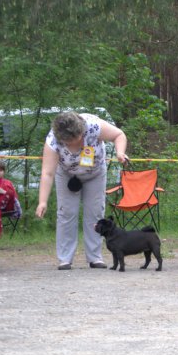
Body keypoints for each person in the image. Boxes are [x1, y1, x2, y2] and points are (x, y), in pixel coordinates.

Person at [35, 111, 129, 270]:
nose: (73, 144)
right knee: (66, 213)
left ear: (81, 132)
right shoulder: (53, 140)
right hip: (66, 175)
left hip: (95, 173)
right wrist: (42, 201)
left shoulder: (93, 126)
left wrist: (120, 152)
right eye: (68, 142)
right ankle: (65, 259)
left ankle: (95, 257)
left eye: (76, 140)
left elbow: (119, 135)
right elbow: (47, 173)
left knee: (95, 212)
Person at [0, 159, 20, 237]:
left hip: (7, 207)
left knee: (10, 192)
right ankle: (0, 234)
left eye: (1, 170)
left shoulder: (8, 183)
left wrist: (4, 192)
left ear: (3, 172)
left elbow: (15, 197)